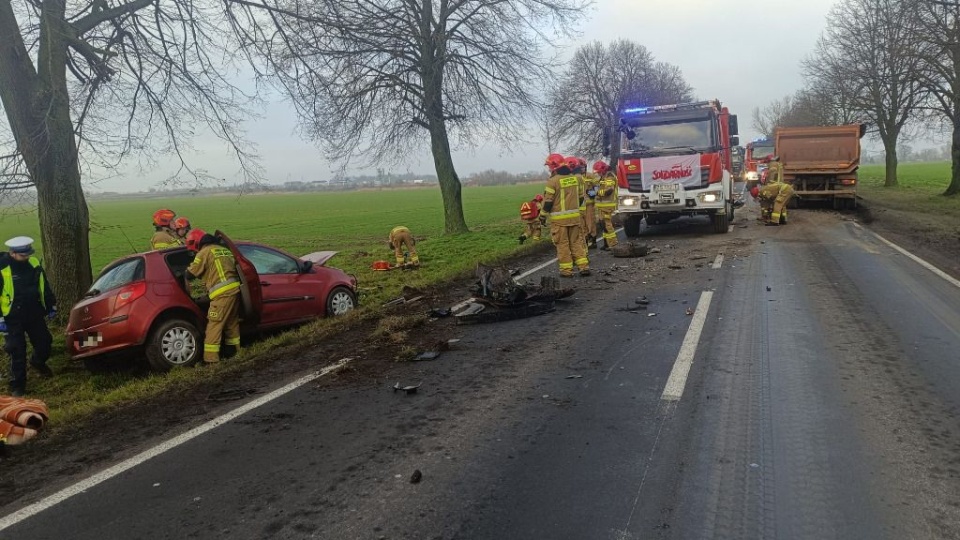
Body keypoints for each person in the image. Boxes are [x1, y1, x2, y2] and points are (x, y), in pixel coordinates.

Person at [0, 237, 56, 397]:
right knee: (17, 350)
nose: (26, 257)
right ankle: (17, 386)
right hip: (11, 318)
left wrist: (51, 305)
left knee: (45, 342)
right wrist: (0, 319)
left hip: (34, 313)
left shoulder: (34, 264)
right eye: (23, 255)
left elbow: (44, 285)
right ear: (12, 253)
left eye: (28, 254)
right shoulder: (2, 268)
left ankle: (37, 362)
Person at [185, 229, 241, 363]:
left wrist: (187, 269)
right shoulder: (223, 250)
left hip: (221, 293)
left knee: (214, 325)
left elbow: (190, 274)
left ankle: (211, 359)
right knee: (231, 322)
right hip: (235, 290)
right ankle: (235, 352)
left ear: (199, 244)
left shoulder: (204, 252)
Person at [542, 154, 590, 277]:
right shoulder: (575, 179)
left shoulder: (552, 181)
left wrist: (542, 216)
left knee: (562, 245)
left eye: (549, 166)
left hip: (559, 221)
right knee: (576, 243)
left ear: (554, 166)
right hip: (575, 218)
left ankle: (566, 270)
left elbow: (548, 202)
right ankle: (583, 267)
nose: (548, 169)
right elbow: (580, 198)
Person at [593, 161, 619, 250]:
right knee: (603, 224)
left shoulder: (609, 176)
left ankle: (613, 244)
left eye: (599, 172)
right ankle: (607, 243)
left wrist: (596, 193)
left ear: (603, 170)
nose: (598, 173)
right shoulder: (604, 176)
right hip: (602, 205)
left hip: (608, 205)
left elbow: (609, 191)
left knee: (607, 225)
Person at [577, 158, 598, 249]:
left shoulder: (590, 176)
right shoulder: (575, 177)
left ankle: (593, 240)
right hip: (579, 206)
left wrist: (592, 193)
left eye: (583, 167)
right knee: (582, 225)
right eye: (580, 167)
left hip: (589, 204)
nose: (582, 169)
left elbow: (597, 187)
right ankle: (585, 240)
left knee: (590, 223)